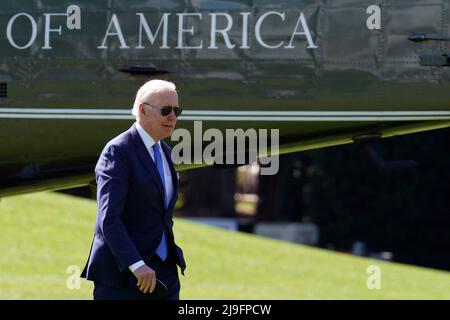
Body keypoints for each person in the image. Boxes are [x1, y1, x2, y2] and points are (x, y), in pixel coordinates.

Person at [81, 79, 186, 300]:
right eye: (166, 110)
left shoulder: (166, 153)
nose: (173, 117)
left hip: (164, 276)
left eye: (177, 110)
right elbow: (109, 219)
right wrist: (137, 265)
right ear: (142, 110)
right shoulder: (118, 151)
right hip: (124, 277)